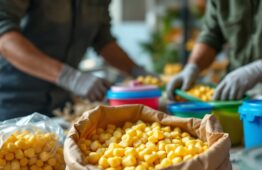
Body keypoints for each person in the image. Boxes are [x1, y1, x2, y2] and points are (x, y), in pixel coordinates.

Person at [0, 0, 151, 121]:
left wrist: (136, 71)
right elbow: (4, 36)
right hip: (14, 103)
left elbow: (102, 38)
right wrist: (70, 77)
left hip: (61, 106)